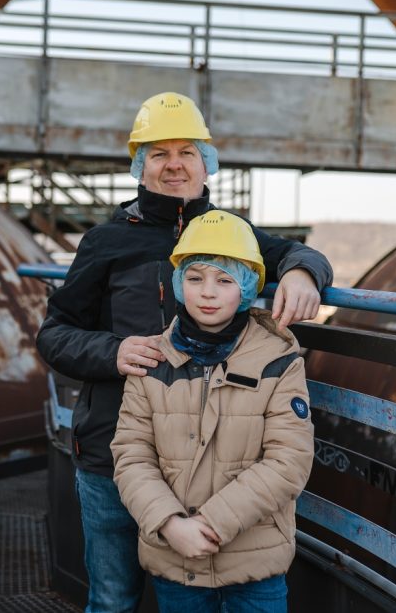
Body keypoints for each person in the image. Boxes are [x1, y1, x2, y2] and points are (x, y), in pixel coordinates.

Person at [36, 91, 330, 612]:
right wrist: (112, 350)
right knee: (112, 600)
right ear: (140, 166)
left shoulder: (228, 235)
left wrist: (305, 272)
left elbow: (295, 252)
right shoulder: (106, 242)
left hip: (206, 469)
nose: (174, 165)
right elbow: (54, 333)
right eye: (159, 153)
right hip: (115, 453)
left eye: (186, 152)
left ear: (206, 162)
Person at [111, 210, 314, 613]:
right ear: (178, 284)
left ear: (247, 287)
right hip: (176, 558)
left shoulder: (278, 358)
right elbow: (131, 453)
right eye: (195, 278)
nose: (208, 292)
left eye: (224, 280)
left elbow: (288, 459)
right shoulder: (154, 358)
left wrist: (211, 524)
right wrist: (170, 524)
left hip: (255, 563)